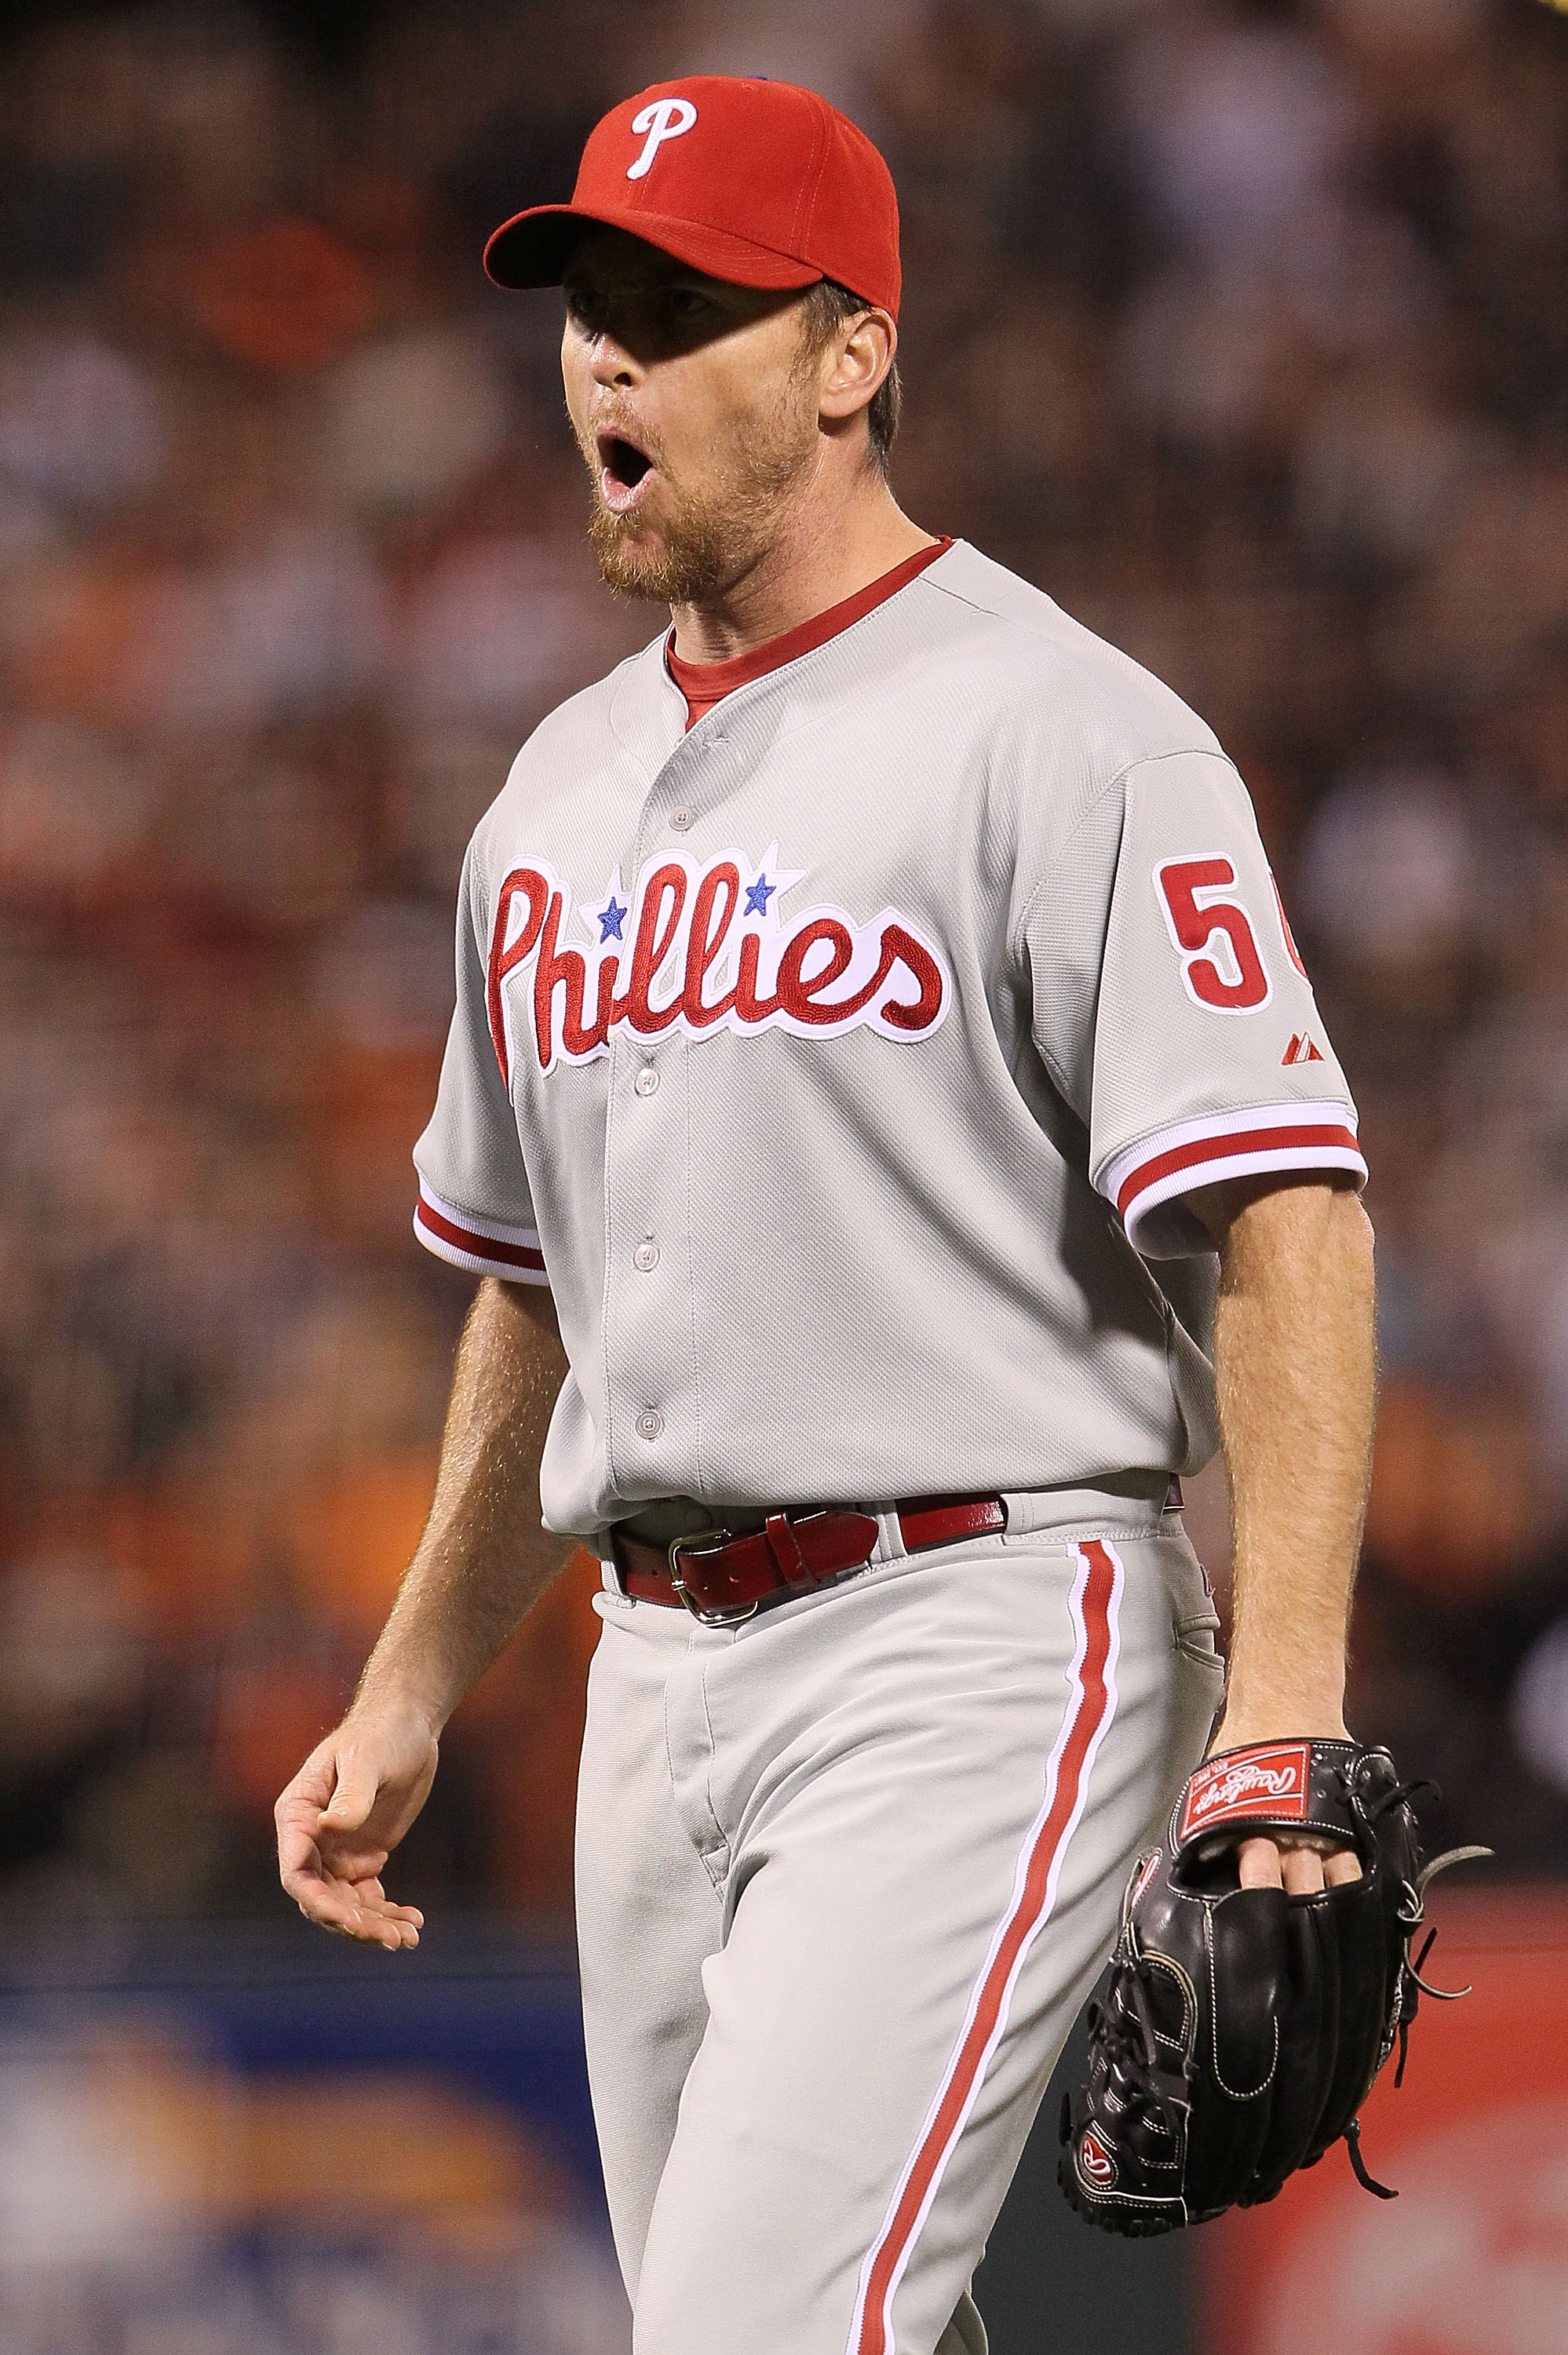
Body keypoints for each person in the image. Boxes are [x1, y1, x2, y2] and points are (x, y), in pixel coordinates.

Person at [276, 76, 1374, 2355]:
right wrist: (406, 1689)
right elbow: (528, 1290)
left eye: (678, 309)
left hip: (973, 1626)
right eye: (589, 308)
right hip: (650, 1674)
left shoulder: (1063, 731)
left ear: (849, 355)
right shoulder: (550, 793)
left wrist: (1277, 1719)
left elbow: (1289, 1219)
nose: (607, 358)